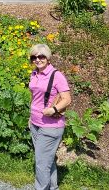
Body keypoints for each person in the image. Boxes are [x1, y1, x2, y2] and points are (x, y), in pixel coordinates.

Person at [27, 43, 71, 190]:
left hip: (50, 126)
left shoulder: (57, 76)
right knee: (47, 161)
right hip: (35, 123)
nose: (37, 60)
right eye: (34, 57)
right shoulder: (34, 74)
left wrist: (53, 109)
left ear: (48, 57)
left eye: (41, 56)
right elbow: (34, 97)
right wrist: (30, 117)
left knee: (41, 162)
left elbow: (67, 99)